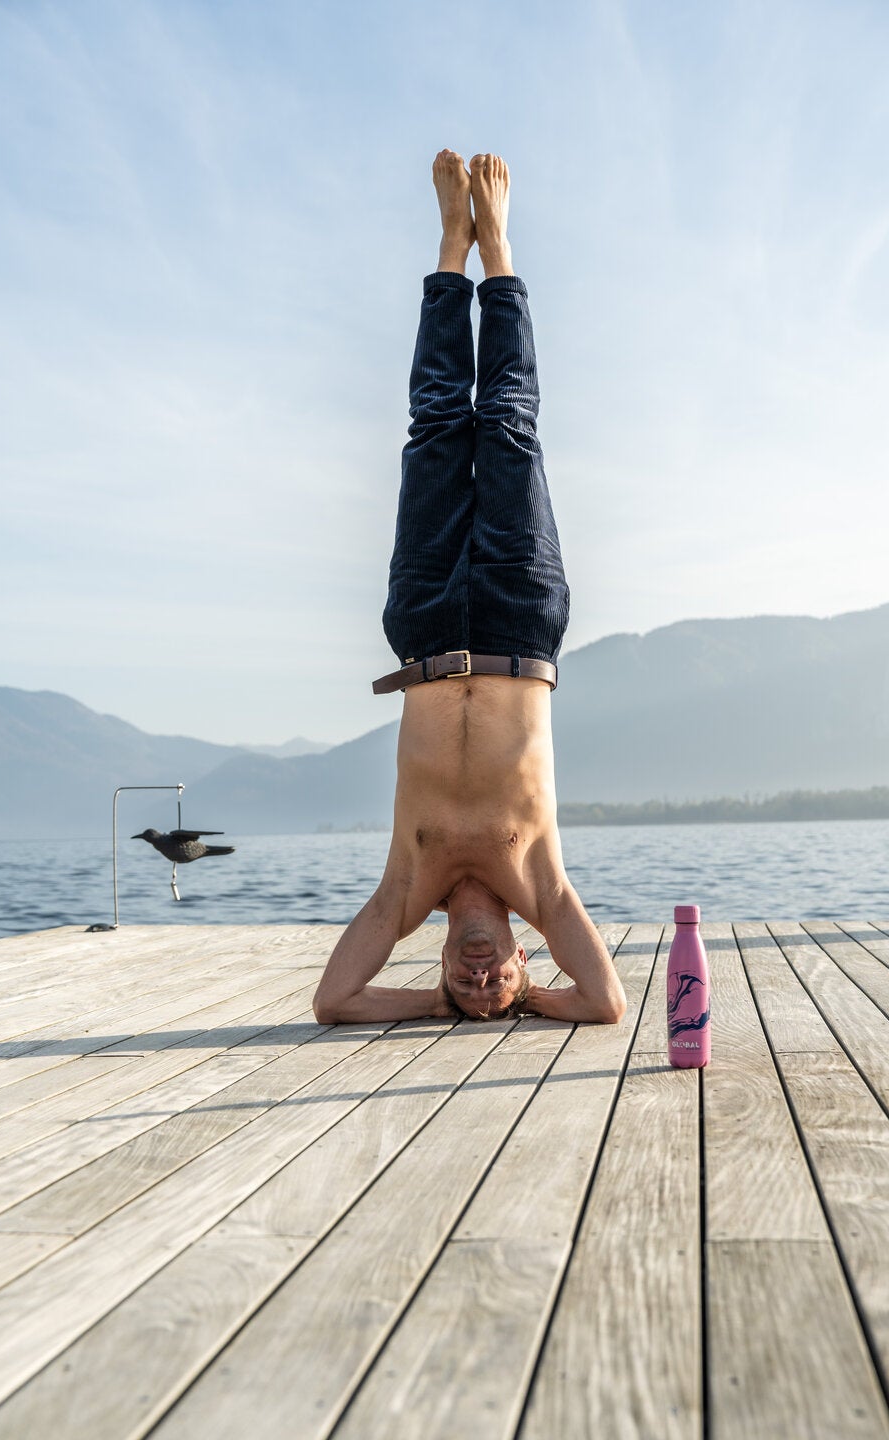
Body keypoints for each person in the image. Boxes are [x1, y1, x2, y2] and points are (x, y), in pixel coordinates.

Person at [312, 151, 627, 1025]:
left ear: (443, 965)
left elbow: (332, 1000)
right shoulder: (540, 883)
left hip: (420, 627)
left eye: (465, 986)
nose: (480, 980)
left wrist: (435, 1008)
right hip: (520, 625)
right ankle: (501, 257)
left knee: (437, 426)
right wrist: (530, 1005)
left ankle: (451, 251)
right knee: (511, 424)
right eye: (501, 984)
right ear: (529, 960)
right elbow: (604, 1003)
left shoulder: (406, 893)